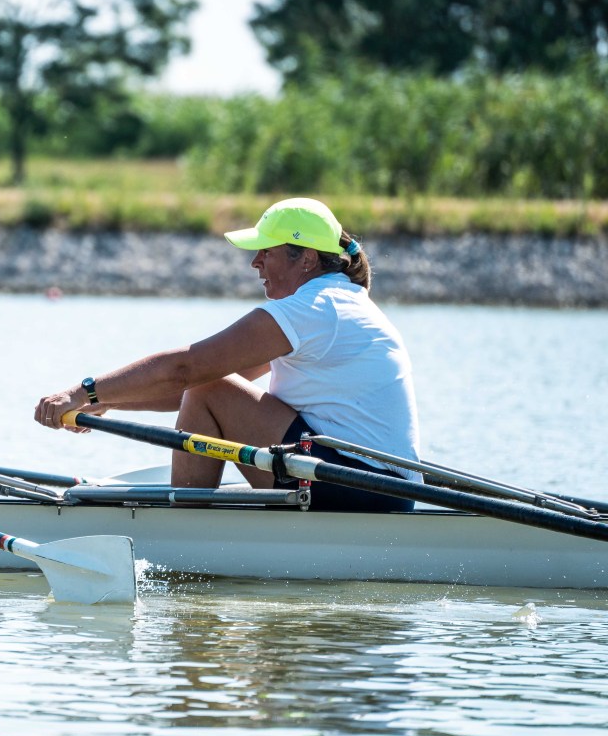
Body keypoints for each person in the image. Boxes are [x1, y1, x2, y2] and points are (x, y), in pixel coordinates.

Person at [34, 197, 420, 511]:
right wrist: (109, 401)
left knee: (210, 386)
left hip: (360, 486)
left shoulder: (314, 309)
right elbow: (189, 387)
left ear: (305, 259)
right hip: (376, 486)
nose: (255, 262)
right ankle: (192, 523)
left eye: (266, 251)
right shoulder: (337, 303)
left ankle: (184, 535)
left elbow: (187, 370)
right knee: (210, 385)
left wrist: (83, 391)